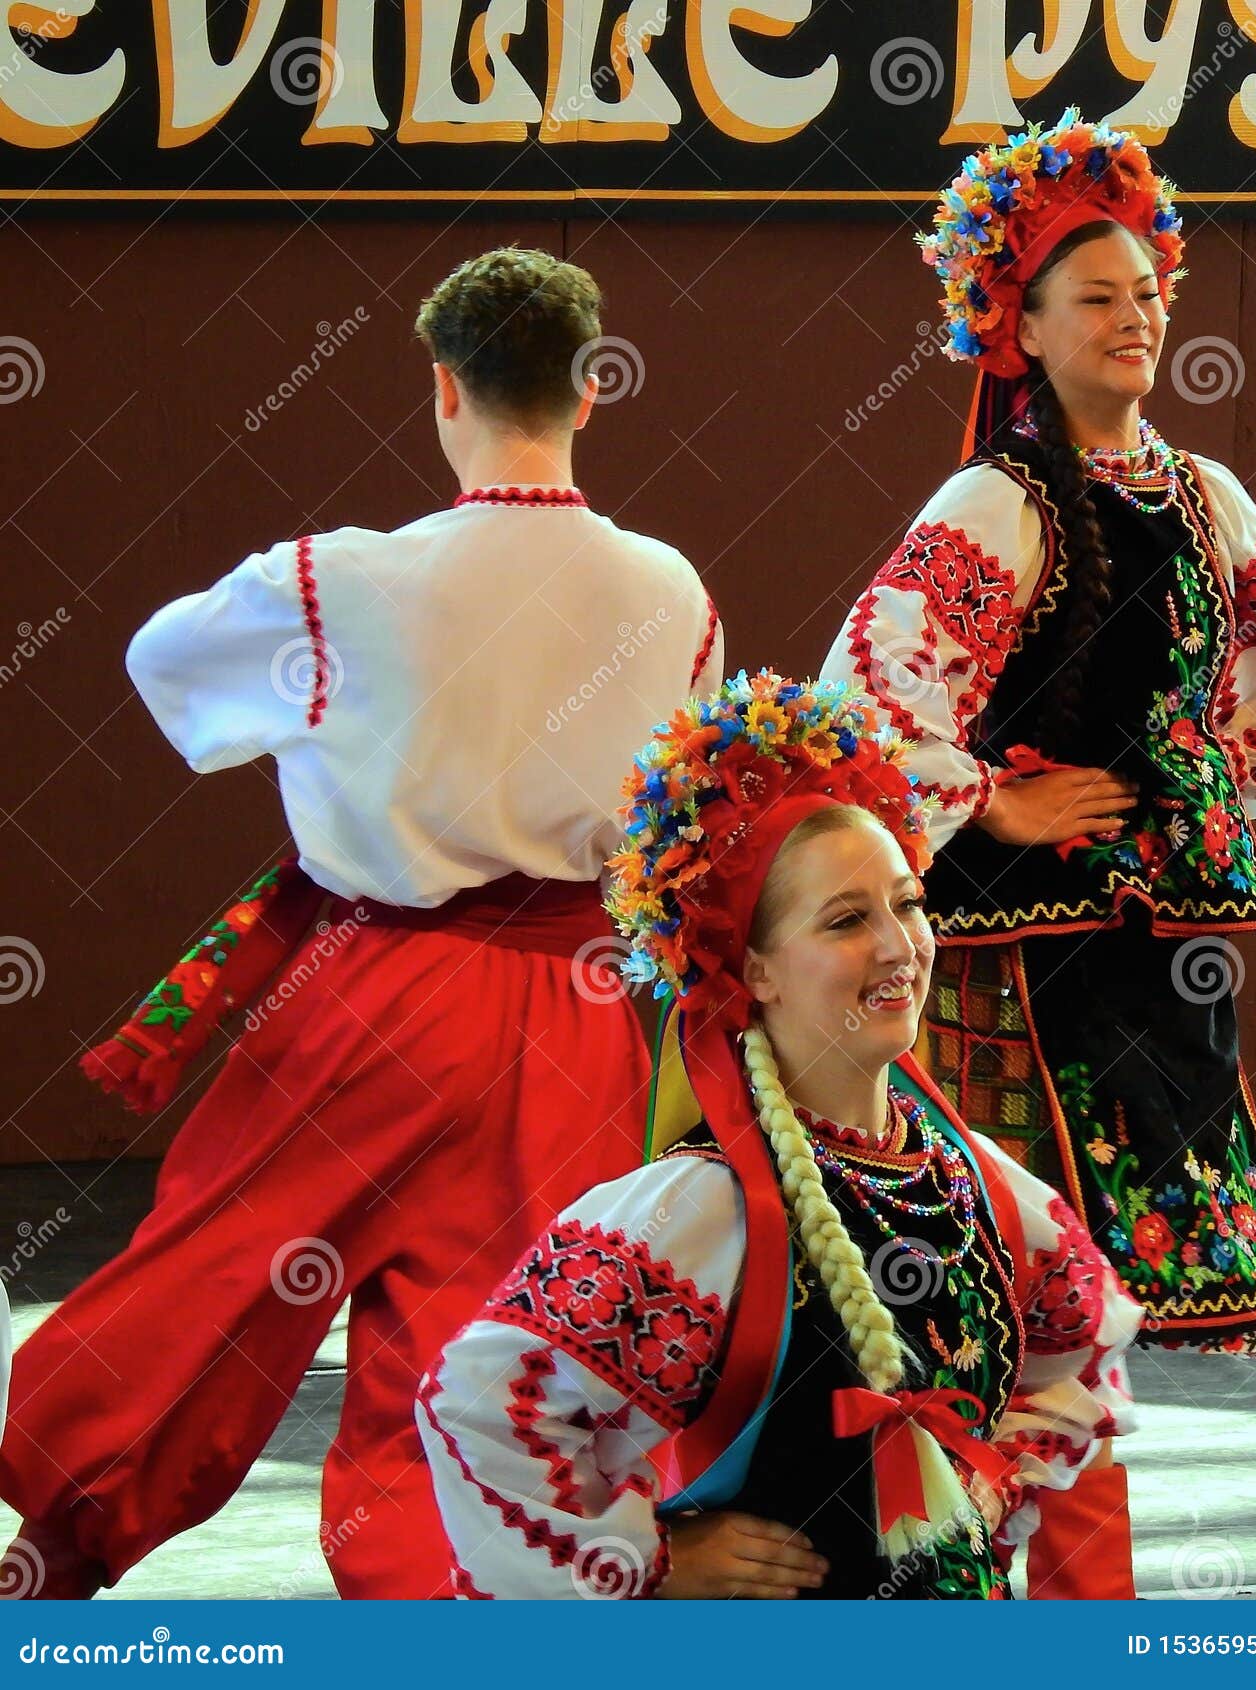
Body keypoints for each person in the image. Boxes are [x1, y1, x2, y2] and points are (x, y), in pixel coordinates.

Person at [0, 246, 723, 1600]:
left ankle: (55, 1541)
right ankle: (464, 1595)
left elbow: (166, 668)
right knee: (502, 1330)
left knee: (215, 1275)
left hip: (372, 986)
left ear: (442, 387)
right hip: (575, 1008)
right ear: (589, 391)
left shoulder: (344, 580)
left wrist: (343, 744)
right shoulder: (672, 593)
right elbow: (680, 805)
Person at [819, 109, 1256, 1597]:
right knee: (1016, 1289)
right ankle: (997, 1588)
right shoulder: (994, 501)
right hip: (1008, 966)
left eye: (1144, 292)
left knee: (1091, 1299)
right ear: (1021, 325)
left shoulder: (1200, 499)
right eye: (1096, 296)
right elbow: (863, 704)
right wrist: (987, 799)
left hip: (1143, 965)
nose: (1133, 319)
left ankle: (1055, 1600)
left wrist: (1199, 782)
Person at [417, 672, 1140, 1599]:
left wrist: (993, 1479)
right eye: (846, 920)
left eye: (907, 903)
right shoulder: (704, 1208)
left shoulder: (973, 1177)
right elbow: (478, 1407)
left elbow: (1077, 1349)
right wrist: (649, 1563)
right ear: (751, 966)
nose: (897, 946)